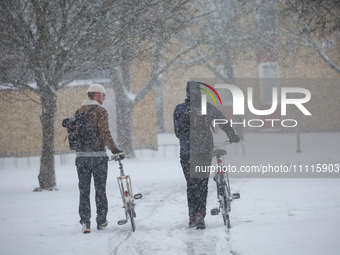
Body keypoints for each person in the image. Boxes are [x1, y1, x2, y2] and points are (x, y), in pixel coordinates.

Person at [173, 81, 239, 230]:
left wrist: (188, 142)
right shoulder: (207, 107)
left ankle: (192, 215)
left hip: (187, 153)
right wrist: (232, 135)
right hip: (204, 151)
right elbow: (223, 121)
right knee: (202, 184)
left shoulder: (179, 109)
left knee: (192, 184)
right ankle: (200, 214)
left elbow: (178, 132)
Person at [75, 83, 123, 234]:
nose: (104, 98)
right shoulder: (101, 111)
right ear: (96, 95)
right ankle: (101, 221)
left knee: (84, 190)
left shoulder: (78, 111)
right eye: (103, 95)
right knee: (100, 190)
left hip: (81, 157)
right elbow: (104, 132)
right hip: (98, 157)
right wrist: (114, 149)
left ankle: (85, 221)